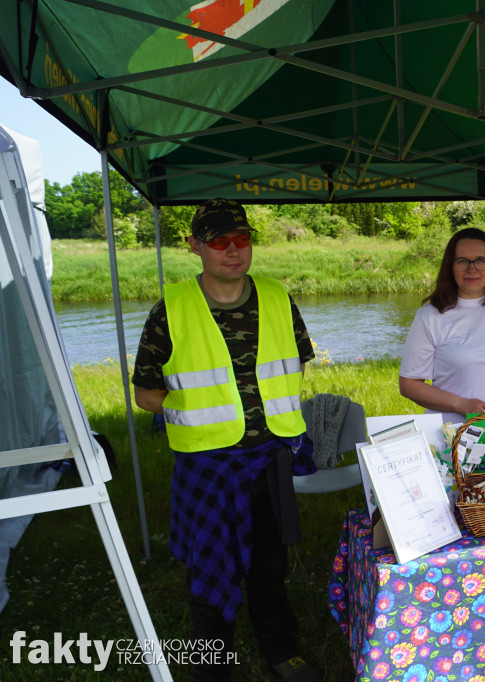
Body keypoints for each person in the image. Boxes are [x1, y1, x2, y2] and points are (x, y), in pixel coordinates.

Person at [132, 198, 319, 682]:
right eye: (218, 242)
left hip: (272, 456)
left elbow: (297, 362)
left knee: (269, 565)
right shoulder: (170, 309)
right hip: (207, 464)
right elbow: (146, 395)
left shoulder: (278, 297)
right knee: (207, 569)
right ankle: (210, 665)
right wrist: (196, 412)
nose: (232, 251)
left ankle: (282, 651)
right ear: (195, 246)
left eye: (241, 240)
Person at [399, 227, 485, 424]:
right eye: (462, 261)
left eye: (481, 260)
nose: (472, 269)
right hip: (450, 433)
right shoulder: (430, 315)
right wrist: (460, 404)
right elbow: (408, 384)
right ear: (450, 266)